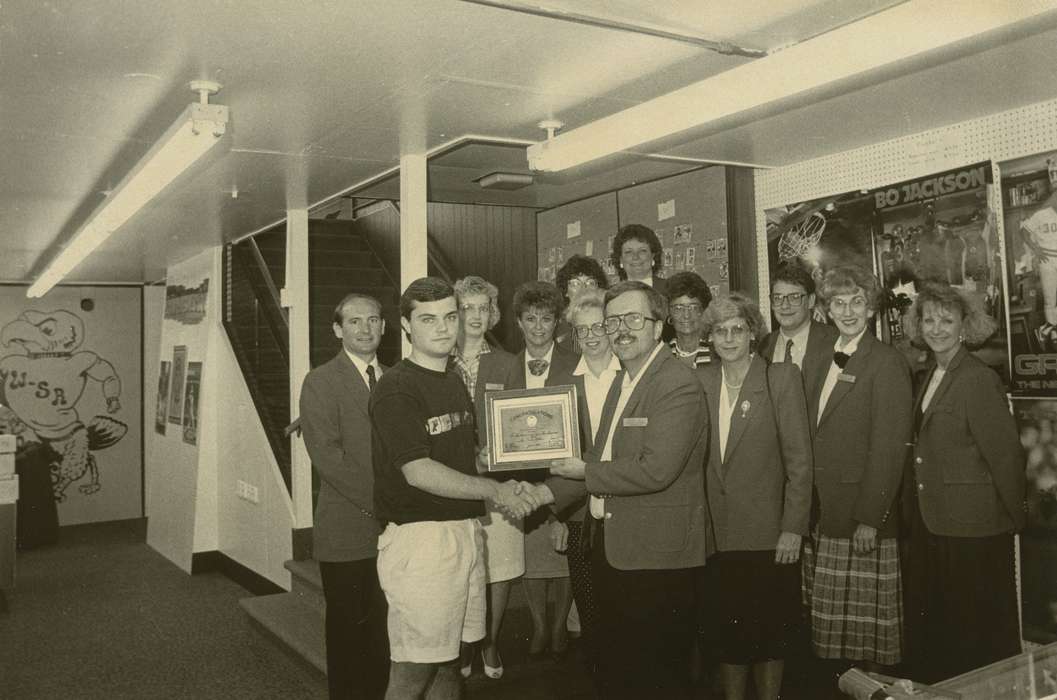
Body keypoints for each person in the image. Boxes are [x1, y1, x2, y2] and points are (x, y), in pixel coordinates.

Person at [532, 280, 710, 699]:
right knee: (621, 668)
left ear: (658, 325)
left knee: (658, 675)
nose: (621, 329)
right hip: (614, 550)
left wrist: (582, 472)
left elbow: (656, 471)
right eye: (613, 321)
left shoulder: (675, 382)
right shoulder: (625, 379)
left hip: (655, 558)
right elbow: (598, 453)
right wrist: (545, 495)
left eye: (634, 318)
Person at [370, 277, 540, 700]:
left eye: (451, 316)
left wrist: (505, 472)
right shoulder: (396, 387)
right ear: (406, 326)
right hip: (421, 541)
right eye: (429, 320)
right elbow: (419, 471)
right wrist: (494, 492)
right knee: (413, 668)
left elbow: (465, 459)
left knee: (450, 663)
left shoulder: (451, 380)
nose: (445, 328)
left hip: (465, 532)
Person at [901, 282, 1026, 682]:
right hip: (936, 523)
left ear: (965, 326)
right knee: (946, 633)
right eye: (929, 319)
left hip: (974, 530)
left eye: (947, 320)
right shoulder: (931, 373)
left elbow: (1005, 456)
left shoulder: (977, 378)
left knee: (975, 637)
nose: (937, 328)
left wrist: (1014, 520)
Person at [698, 293, 812, 700]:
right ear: (709, 338)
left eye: (737, 329)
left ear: (752, 334)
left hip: (769, 536)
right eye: (719, 331)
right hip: (716, 535)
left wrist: (793, 528)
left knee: (769, 636)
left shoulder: (780, 377)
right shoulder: (701, 381)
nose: (728, 338)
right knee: (728, 637)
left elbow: (800, 462)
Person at [802, 265, 913, 670]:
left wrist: (871, 517)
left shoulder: (886, 362)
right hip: (825, 513)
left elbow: (888, 449)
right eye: (838, 303)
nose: (847, 311)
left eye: (856, 302)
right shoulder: (820, 360)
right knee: (834, 640)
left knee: (869, 641)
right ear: (827, 309)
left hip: (860, 518)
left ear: (871, 308)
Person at [299, 293, 391, 700]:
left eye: (373, 320)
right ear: (338, 329)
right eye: (354, 321)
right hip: (347, 531)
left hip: (394, 531)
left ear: (384, 327)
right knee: (348, 637)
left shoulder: (394, 378)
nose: (365, 328)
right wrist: (388, 505)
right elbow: (329, 459)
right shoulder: (320, 380)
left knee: (383, 630)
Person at [450, 276, 521, 680]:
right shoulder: (438, 358)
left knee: (500, 562)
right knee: (462, 562)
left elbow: (513, 423)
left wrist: (497, 455)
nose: (476, 317)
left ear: (491, 314)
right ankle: (464, 642)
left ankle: (490, 639)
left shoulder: (508, 362)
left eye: (483, 309)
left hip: (498, 477)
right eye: (467, 309)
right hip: (455, 477)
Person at [549, 288, 621, 673]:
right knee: (590, 606)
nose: (592, 336)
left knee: (627, 608)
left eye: (599, 327)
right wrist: (554, 516)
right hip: (578, 513)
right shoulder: (561, 381)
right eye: (583, 330)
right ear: (574, 336)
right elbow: (550, 458)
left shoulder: (631, 373)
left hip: (629, 509)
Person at [506, 280, 578, 660]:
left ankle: (559, 625)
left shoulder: (573, 363)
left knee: (562, 552)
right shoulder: (505, 365)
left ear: (557, 323)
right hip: (521, 473)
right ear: (519, 322)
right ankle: (538, 625)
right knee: (531, 556)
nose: (537, 327)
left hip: (563, 473)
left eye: (546, 319)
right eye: (530, 319)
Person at [760, 261, 838, 398]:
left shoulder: (835, 342)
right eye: (778, 298)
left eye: (794, 297)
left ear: (811, 301)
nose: (785, 306)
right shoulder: (763, 347)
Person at [554, 254, 608, 352]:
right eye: (575, 283)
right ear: (565, 291)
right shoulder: (555, 326)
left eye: (590, 283)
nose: (583, 289)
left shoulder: (608, 319)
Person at [665, 270, 713, 368]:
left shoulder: (718, 353)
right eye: (678, 308)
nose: (686, 315)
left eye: (693, 307)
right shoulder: (662, 355)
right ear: (669, 313)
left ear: (704, 310)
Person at [610, 224, 667, 295]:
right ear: (620, 259)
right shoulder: (611, 294)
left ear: (653, 256)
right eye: (628, 252)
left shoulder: (671, 289)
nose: (635, 257)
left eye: (642, 251)